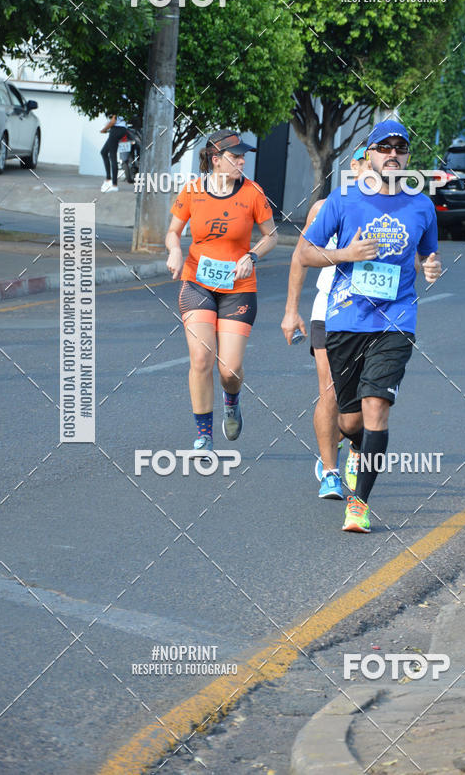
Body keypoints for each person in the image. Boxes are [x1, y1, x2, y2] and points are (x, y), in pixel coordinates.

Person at [298, 121, 442, 532]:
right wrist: (347, 252)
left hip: (395, 320)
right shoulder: (343, 201)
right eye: (384, 147)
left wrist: (431, 268)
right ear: (370, 154)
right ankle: (354, 447)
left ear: (407, 157)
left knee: (376, 406)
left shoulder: (421, 206)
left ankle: (358, 504)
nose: (393, 154)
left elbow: (429, 258)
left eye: (401, 148)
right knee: (350, 421)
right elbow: (305, 253)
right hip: (345, 320)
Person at [165, 129, 277, 451]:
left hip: (238, 288)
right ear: (216, 160)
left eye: (243, 157)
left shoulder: (253, 192)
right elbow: (173, 231)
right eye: (235, 157)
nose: (242, 161)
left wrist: (252, 255)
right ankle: (204, 434)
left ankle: (232, 398)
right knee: (201, 358)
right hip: (197, 282)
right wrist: (174, 250)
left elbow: (271, 235)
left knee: (228, 369)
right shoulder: (193, 190)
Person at [281, 147, 370, 501]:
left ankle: (357, 446)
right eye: (366, 162)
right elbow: (300, 256)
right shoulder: (325, 207)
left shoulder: (392, 208)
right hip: (329, 310)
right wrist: (291, 310)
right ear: (356, 166)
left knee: (365, 397)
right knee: (329, 390)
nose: (373, 169)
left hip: (371, 314)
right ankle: (330, 472)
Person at [100, 112, 129, 192]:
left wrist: (104, 129)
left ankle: (114, 185)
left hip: (116, 130)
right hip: (121, 130)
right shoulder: (122, 105)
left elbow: (113, 122)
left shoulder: (115, 105)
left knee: (112, 156)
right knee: (104, 152)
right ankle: (108, 178)